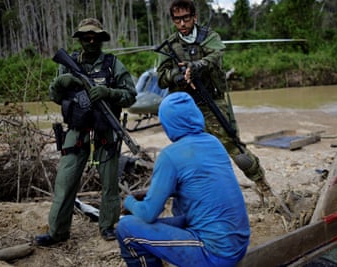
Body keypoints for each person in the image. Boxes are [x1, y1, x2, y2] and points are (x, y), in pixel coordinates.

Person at [116, 92, 250, 267]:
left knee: (126, 227)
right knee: (178, 217)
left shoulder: (170, 155)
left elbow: (148, 213)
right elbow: (196, 185)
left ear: (169, 123)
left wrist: (129, 202)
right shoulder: (214, 142)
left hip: (215, 253)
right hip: (239, 245)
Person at [157, 0, 272, 202]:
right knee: (191, 153)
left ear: (194, 17)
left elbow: (216, 55)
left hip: (211, 100)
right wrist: (177, 75)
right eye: (177, 19)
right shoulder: (170, 45)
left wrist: (196, 66)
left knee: (234, 147)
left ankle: (263, 186)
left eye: (186, 18)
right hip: (186, 107)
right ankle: (202, 196)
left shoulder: (209, 37)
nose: (182, 23)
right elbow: (161, 77)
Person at [35, 18, 137, 246]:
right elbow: (55, 96)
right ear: (79, 39)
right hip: (77, 130)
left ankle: (108, 226)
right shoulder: (67, 63)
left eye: (95, 37)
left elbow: (130, 95)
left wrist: (108, 92)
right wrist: (62, 81)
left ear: (101, 39)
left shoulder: (112, 64)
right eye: (86, 37)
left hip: (105, 129)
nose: (90, 41)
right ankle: (57, 232)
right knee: (65, 181)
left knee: (109, 181)